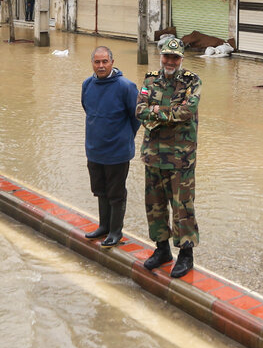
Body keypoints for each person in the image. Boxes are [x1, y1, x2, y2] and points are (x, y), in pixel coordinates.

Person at [135, 37, 201, 278]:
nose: (170, 61)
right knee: (154, 205)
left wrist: (155, 110)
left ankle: (186, 255)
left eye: (175, 57)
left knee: (182, 206)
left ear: (181, 59)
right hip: (153, 154)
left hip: (180, 157)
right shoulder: (150, 79)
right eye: (166, 57)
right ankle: (162, 249)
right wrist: (162, 112)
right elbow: (139, 110)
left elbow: (185, 112)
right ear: (161, 57)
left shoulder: (192, 81)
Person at [81, 46, 140, 248]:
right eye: (97, 62)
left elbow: (136, 117)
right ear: (92, 64)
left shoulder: (126, 86)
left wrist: (124, 138)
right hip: (95, 150)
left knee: (116, 193)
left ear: (112, 62)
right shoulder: (87, 85)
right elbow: (88, 110)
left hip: (118, 152)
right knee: (100, 190)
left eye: (105, 61)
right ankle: (103, 227)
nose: (101, 66)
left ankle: (116, 231)